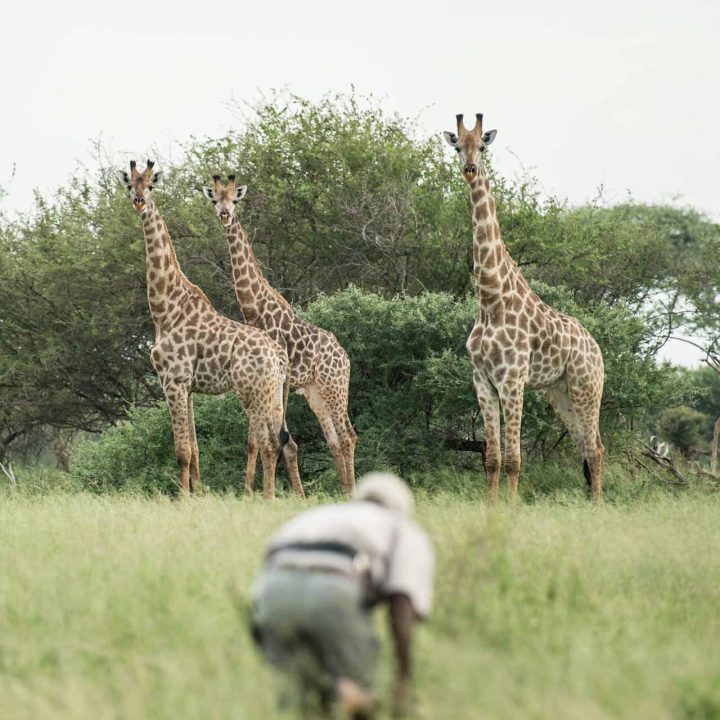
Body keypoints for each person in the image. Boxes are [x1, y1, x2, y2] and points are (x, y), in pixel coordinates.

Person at [250, 472, 435, 719]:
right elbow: (401, 601)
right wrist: (404, 677)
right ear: (401, 508)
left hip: (272, 597)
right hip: (335, 594)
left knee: (304, 695)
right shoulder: (400, 527)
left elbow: (269, 561)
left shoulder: (316, 515)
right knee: (358, 694)